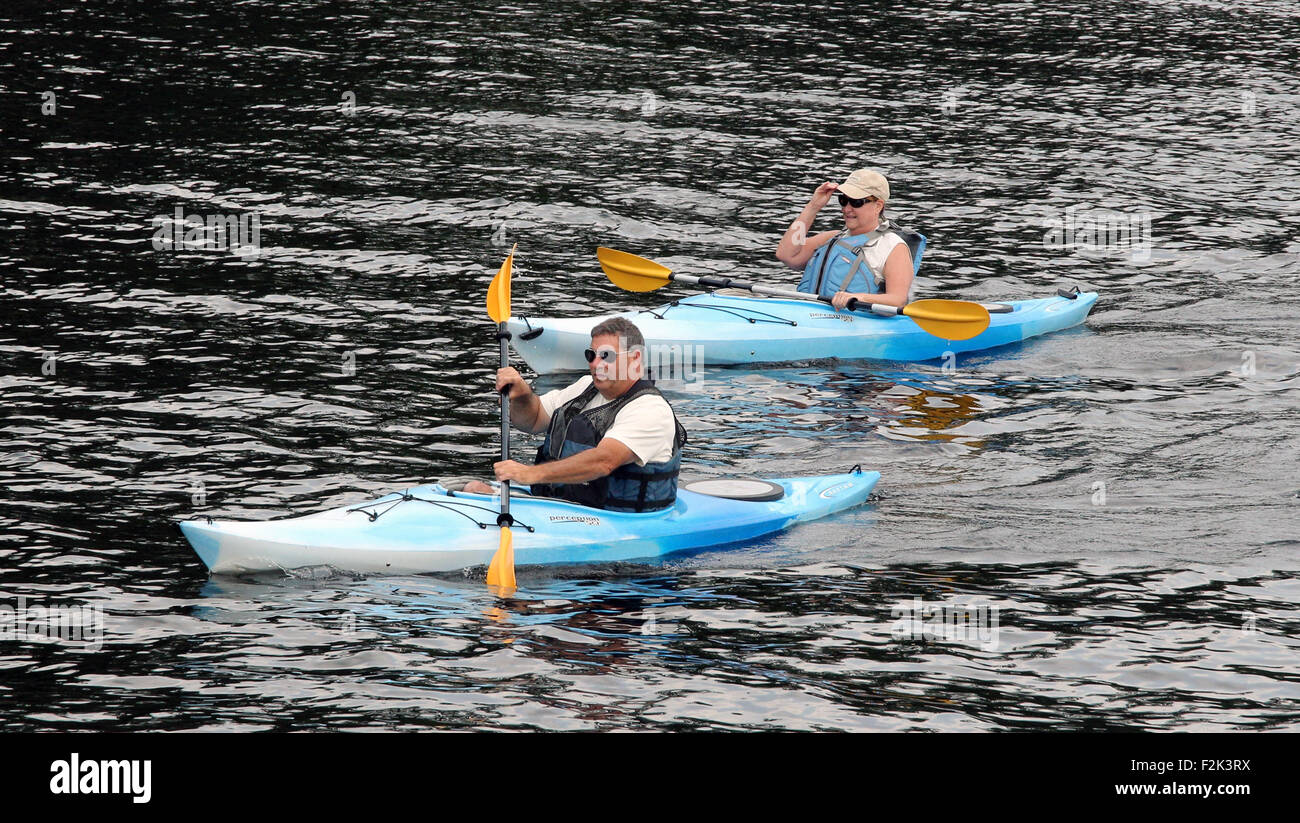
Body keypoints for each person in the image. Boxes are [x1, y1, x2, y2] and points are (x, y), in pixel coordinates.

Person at [463, 317, 688, 512]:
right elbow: (532, 420)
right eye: (591, 355)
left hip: (615, 520)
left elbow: (604, 461)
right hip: (564, 505)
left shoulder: (650, 410)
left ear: (635, 358)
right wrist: (522, 394)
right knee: (472, 488)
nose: (595, 364)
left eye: (606, 356)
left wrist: (531, 474)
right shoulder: (585, 387)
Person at [774, 168, 914, 309]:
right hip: (809, 313)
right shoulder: (831, 238)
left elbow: (898, 300)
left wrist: (857, 298)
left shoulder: (894, 247)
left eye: (856, 202)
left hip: (856, 321)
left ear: (878, 206)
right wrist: (813, 207)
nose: (847, 209)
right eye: (843, 200)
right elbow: (786, 255)